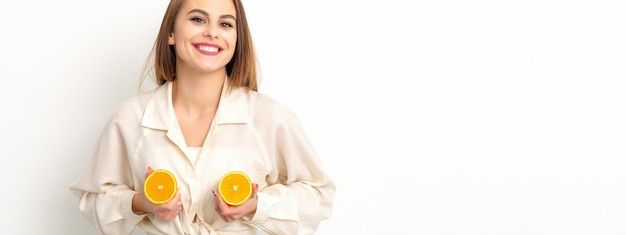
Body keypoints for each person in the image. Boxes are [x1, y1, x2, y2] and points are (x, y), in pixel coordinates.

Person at [68, 0, 336, 234]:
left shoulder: (270, 117)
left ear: (236, 39)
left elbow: (319, 195)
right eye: (198, 19)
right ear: (171, 32)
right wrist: (139, 203)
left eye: (226, 24)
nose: (211, 32)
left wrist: (257, 207)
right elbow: (93, 201)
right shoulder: (130, 118)